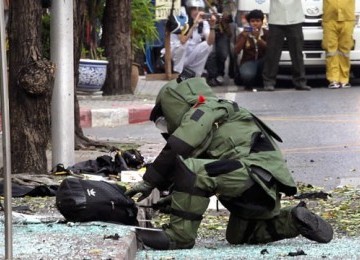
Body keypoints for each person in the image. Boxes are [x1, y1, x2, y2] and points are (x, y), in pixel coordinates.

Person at [126, 75, 333, 250]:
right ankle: (293, 219)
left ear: (175, 103)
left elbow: (179, 147)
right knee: (239, 236)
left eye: (164, 121)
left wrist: (149, 181)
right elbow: (205, 170)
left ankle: (179, 236)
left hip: (251, 176)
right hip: (262, 188)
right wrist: (175, 197)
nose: (167, 128)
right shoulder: (223, 114)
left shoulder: (204, 109)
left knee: (193, 171)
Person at [262, 0, 311, 91]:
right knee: (272, 52)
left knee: (297, 52)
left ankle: (300, 81)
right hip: (276, 18)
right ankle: (269, 81)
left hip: (295, 18)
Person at [170, 0, 217, 77]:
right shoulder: (181, 20)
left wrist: (212, 26)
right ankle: (178, 73)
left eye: (199, 9)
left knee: (207, 46)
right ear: (188, 10)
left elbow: (210, 42)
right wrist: (194, 25)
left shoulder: (202, 22)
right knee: (184, 44)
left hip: (189, 56)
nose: (197, 12)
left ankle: (195, 74)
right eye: (194, 9)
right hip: (176, 56)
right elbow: (183, 40)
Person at [322, 0, 355, 89]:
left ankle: (344, 79)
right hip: (330, 18)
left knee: (345, 50)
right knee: (331, 50)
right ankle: (333, 79)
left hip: (347, 18)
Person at [234, 9, 268, 90]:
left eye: (258, 21)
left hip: (262, 61)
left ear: (262, 22)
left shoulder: (266, 33)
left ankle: (263, 80)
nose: (255, 23)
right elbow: (236, 51)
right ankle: (249, 81)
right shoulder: (244, 33)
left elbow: (270, 49)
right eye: (252, 21)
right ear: (249, 22)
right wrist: (244, 37)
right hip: (248, 61)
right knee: (247, 76)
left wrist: (258, 39)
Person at [204, 1, 234, 87]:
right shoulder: (205, 3)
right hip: (208, 30)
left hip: (223, 31)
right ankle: (212, 76)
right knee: (211, 53)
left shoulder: (226, 2)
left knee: (223, 54)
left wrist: (225, 16)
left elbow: (231, 18)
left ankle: (220, 73)